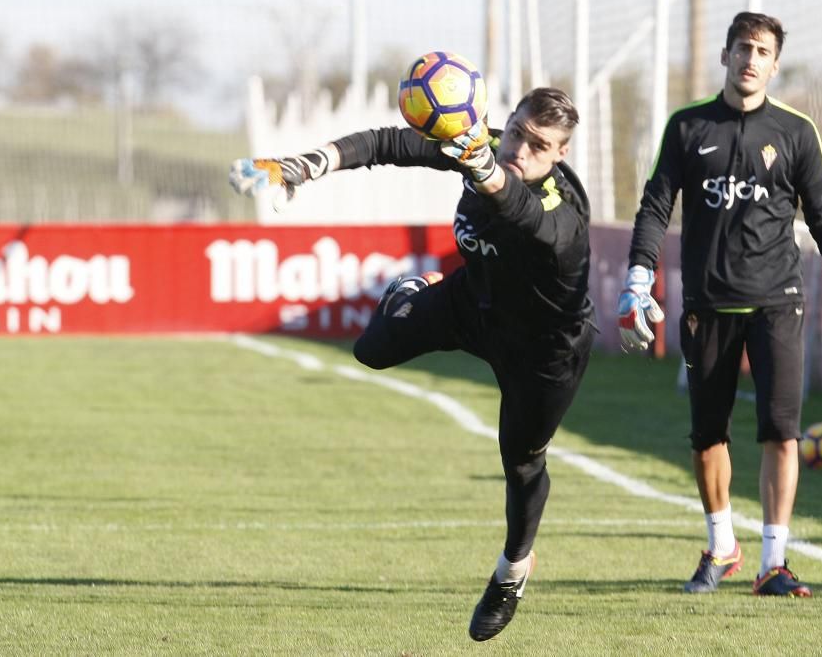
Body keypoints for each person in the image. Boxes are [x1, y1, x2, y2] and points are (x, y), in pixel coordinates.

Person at [229, 87, 596, 639]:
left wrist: (485, 171)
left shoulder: (562, 214)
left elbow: (520, 210)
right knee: (371, 350)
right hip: (472, 305)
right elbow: (388, 143)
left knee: (521, 465)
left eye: (539, 146)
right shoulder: (487, 146)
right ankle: (412, 290)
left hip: (545, 350)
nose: (521, 149)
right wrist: (304, 166)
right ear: (508, 122)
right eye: (517, 131)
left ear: (559, 155)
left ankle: (511, 572)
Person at [617, 12, 822, 597]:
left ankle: (774, 564)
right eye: (743, 48)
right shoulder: (687, 128)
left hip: (777, 303)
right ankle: (721, 546)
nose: (751, 59)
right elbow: (655, 206)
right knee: (708, 436)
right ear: (726, 55)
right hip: (706, 305)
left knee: (781, 432)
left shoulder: (795, 131)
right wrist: (639, 277)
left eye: (763, 51)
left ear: (775, 63)